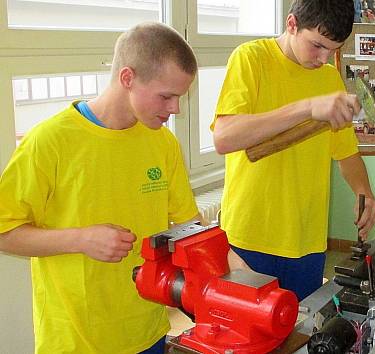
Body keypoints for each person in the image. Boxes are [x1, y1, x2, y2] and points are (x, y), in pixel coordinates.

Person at [0, 22, 247, 354]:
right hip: (77, 340)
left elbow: (192, 226)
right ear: (128, 78)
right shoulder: (49, 142)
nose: (175, 109)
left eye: (180, 97)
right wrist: (80, 239)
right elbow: (4, 230)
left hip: (147, 330)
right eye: (167, 96)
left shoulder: (162, 143)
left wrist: (235, 263)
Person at [211, 0, 375, 301]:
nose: (324, 58)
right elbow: (224, 138)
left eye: (333, 49)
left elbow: (346, 152)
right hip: (251, 234)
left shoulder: (329, 78)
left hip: (307, 239)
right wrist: (307, 108)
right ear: (291, 24)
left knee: (301, 333)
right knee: (252, 335)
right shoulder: (251, 59)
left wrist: (364, 192)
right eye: (317, 45)